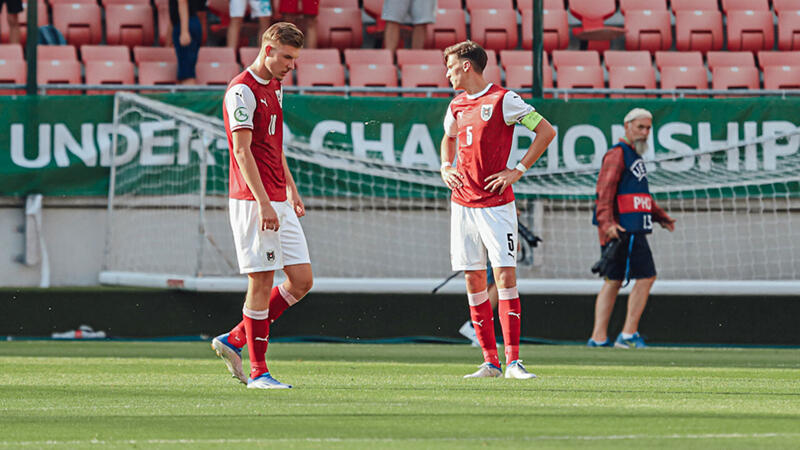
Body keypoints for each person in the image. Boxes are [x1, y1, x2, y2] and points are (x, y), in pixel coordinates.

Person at [440, 40, 556, 379]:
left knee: (505, 277)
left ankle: (514, 362)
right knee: (473, 278)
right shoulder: (457, 105)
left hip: (496, 206)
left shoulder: (505, 100)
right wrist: (446, 166)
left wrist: (516, 170)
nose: (446, 73)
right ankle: (490, 362)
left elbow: (545, 131)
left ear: (466, 66)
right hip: (463, 204)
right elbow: (448, 138)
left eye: (449, 66)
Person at [212, 22, 313, 389]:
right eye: (287, 57)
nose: (291, 65)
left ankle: (235, 338)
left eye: (295, 58)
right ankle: (259, 372)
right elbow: (241, 150)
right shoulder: (241, 91)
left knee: (302, 280)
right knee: (262, 279)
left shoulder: (276, 85)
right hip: (254, 200)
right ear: (268, 50)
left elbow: (274, 146)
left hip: (278, 196)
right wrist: (263, 202)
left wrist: (291, 188)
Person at [587, 108, 676, 349]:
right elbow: (603, 193)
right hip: (623, 229)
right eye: (640, 127)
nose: (645, 133)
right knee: (646, 276)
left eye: (648, 128)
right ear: (627, 126)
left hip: (629, 228)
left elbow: (641, 195)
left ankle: (598, 337)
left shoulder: (634, 156)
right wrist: (607, 224)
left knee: (613, 280)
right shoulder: (618, 155)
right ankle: (627, 334)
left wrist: (660, 217)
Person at [169, 0, 205, 84]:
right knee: (184, 73)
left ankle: (191, 96)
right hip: (185, 24)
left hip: (186, 25)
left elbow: (182, 2)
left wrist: (184, 31)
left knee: (187, 74)